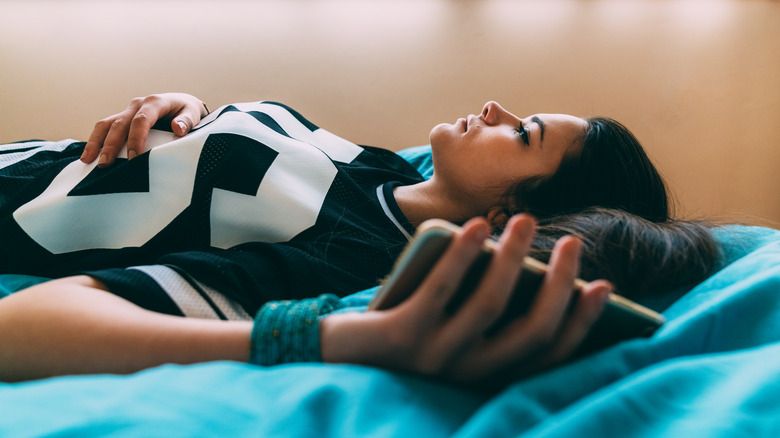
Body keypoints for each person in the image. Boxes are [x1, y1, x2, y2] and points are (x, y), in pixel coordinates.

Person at [0, 93, 715, 383]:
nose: (497, 107)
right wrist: (189, 112)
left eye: (523, 135)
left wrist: (330, 338)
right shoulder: (385, 168)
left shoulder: (346, 256)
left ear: (510, 216)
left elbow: (23, 326)